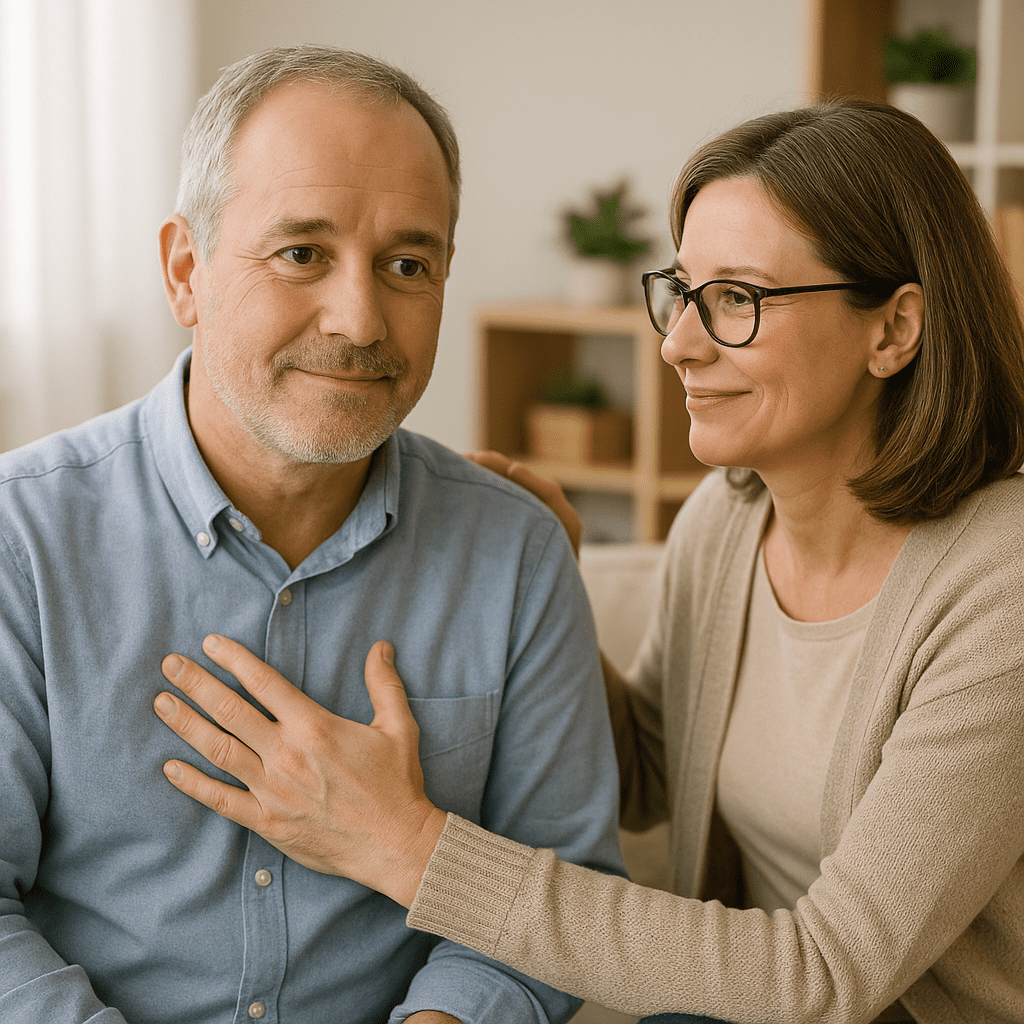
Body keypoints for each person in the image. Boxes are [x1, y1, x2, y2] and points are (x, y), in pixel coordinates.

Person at [154, 98, 1024, 1024]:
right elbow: (652, 769)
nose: (679, 343)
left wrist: (404, 843)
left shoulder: (1000, 587)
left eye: (738, 300)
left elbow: (827, 974)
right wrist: (544, 588)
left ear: (893, 330)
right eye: (684, 292)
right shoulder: (729, 523)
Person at [0, 45, 625, 1024]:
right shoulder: (20, 539)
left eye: (407, 264)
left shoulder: (515, 552)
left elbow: (559, 890)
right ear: (185, 271)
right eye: (301, 253)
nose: (360, 316)